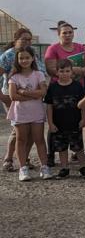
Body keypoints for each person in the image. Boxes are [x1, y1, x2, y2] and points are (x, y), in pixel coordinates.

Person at [1, 28, 46, 172]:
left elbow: (40, 72)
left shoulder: (32, 52)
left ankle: (24, 159)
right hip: (12, 96)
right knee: (18, 130)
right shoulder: (8, 56)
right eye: (24, 39)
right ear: (16, 39)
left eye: (29, 39)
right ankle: (9, 159)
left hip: (32, 96)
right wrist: (2, 96)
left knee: (32, 131)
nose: (27, 41)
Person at [7, 46, 51, 181]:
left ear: (33, 58)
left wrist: (24, 92)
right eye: (21, 58)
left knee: (39, 140)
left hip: (36, 112)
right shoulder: (14, 77)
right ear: (17, 60)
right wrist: (33, 95)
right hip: (20, 113)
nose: (24, 60)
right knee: (21, 140)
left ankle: (44, 167)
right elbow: (13, 96)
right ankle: (23, 168)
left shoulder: (39, 74)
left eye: (27, 57)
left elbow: (43, 92)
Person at [44, 59, 85, 179]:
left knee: (78, 147)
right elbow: (49, 106)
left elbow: (83, 104)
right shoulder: (52, 88)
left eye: (67, 71)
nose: (64, 73)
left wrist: (84, 119)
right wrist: (50, 123)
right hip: (59, 124)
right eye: (61, 71)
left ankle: (83, 166)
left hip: (75, 123)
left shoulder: (77, 86)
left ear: (72, 72)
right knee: (61, 148)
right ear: (57, 72)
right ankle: (64, 168)